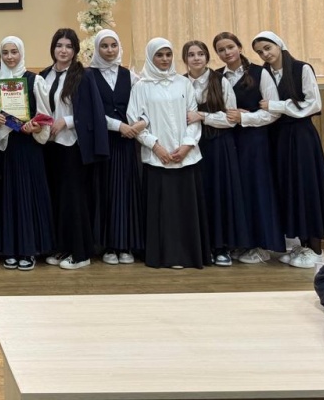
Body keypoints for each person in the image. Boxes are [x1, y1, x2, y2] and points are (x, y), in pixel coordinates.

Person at [252, 31, 324, 268]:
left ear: (279, 45)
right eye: (260, 52)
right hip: (278, 137)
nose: (265, 54)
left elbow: (313, 104)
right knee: (289, 188)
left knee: (306, 187)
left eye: (267, 48)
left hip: (301, 137)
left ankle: (316, 249)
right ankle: (301, 245)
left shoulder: (302, 69)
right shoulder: (266, 74)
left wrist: (277, 105)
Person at [128, 37, 209, 269]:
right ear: (150, 57)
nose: (164, 59)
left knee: (185, 209)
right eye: (159, 55)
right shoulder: (141, 86)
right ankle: (165, 256)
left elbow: (193, 117)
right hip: (157, 158)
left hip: (186, 156)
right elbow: (134, 121)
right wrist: (156, 147)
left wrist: (186, 146)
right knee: (164, 211)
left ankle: (189, 255)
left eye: (168, 54)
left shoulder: (183, 83)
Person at [37, 28, 109, 271]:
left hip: (73, 146)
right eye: (59, 45)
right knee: (57, 199)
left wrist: (66, 122)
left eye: (68, 46)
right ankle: (63, 247)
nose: (63, 50)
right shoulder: (44, 75)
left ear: (75, 50)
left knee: (74, 200)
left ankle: (80, 253)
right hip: (49, 146)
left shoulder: (83, 76)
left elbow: (93, 111)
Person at [213, 31, 283, 264]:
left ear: (239, 47)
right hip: (228, 140)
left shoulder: (260, 73)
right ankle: (241, 242)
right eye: (221, 50)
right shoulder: (216, 76)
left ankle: (262, 245)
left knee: (257, 189)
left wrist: (245, 117)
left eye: (230, 47)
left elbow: (273, 111)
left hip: (254, 140)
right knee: (237, 191)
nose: (227, 52)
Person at [183, 40, 249, 267]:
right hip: (190, 146)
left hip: (219, 144)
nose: (196, 58)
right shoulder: (179, 83)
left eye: (200, 54)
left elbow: (231, 118)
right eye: (191, 54)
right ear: (185, 59)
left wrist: (203, 116)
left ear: (207, 57)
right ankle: (201, 246)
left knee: (219, 194)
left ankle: (222, 247)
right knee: (197, 195)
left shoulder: (220, 81)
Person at [0, 36, 54, 271]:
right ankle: (10, 249)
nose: (9, 57)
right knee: (9, 197)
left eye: (14, 52)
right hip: (6, 149)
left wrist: (35, 127)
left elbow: (45, 116)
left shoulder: (35, 80)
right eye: (5, 52)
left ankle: (28, 250)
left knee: (28, 196)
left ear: (21, 53)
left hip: (28, 148)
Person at [88, 30, 144, 265]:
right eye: (104, 46)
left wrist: (138, 124)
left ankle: (126, 244)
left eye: (113, 45)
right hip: (103, 142)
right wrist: (118, 126)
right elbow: (90, 111)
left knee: (126, 192)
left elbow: (143, 105)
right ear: (97, 49)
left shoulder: (130, 76)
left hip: (127, 142)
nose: (109, 50)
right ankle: (109, 245)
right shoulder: (88, 76)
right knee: (106, 192)